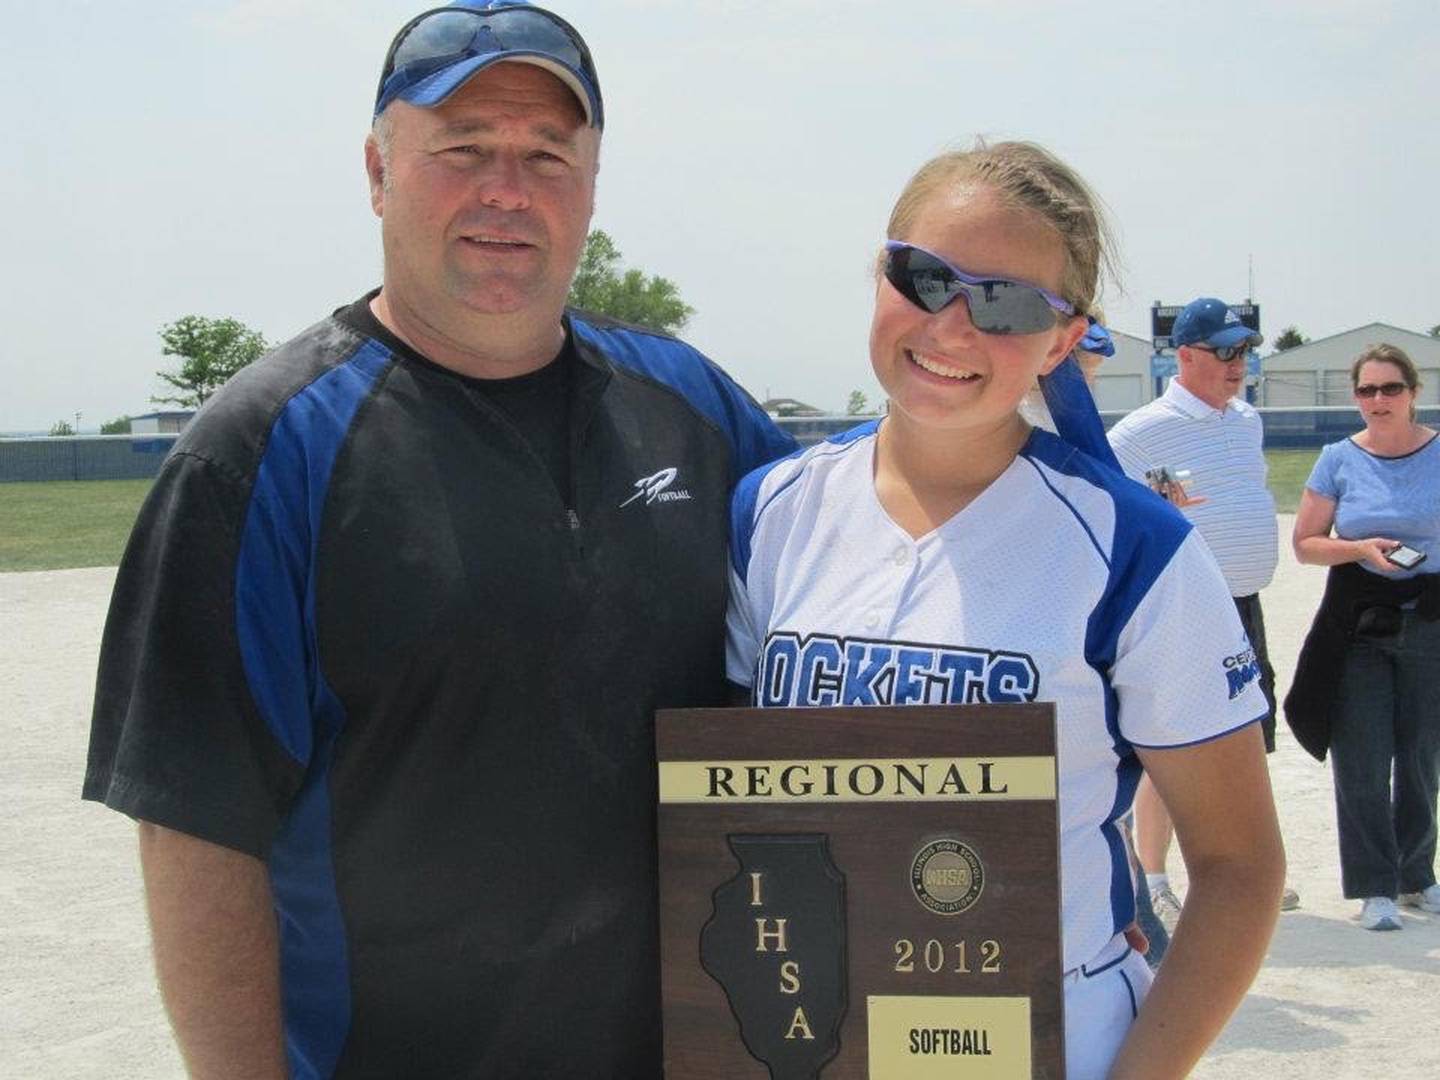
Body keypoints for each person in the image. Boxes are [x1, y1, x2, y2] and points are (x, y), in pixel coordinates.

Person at [82, 3, 794, 1077]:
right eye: (461, 150)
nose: (507, 189)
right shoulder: (262, 450)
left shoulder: (694, 410)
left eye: (546, 155)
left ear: (592, 185)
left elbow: (884, 564)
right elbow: (196, 829)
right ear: (377, 171)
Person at [726, 141, 1285, 1079]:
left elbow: (1238, 867)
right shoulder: (770, 512)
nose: (951, 328)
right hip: (808, 1033)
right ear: (881, 274)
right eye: (925, 276)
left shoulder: (1133, 548)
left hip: (1050, 1037)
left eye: (1009, 303)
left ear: (1066, 341)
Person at [1106, 295, 1297, 934]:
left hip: (1243, 604)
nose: (1237, 362)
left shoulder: (1246, 421)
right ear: (1184, 356)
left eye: (1244, 349)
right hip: (1183, 610)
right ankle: (1154, 878)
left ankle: (1241, 865)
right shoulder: (1140, 432)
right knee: (1173, 745)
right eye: (1223, 351)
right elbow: (1112, 516)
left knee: (1242, 737)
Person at [1288, 343, 1440, 931]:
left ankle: (1416, 875)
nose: (1378, 401)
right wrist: (1359, 549)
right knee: (1362, 758)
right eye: (1367, 390)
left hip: (1430, 617)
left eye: (1390, 389)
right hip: (1356, 622)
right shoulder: (1337, 458)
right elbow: (1305, 544)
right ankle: (1374, 884)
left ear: (1413, 391)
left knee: (1423, 754)